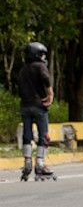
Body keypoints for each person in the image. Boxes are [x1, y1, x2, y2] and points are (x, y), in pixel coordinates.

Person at [19, 42, 55, 181]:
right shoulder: (40, 67)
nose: (44, 56)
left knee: (27, 135)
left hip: (25, 106)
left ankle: (27, 163)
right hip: (39, 106)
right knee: (43, 136)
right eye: (42, 54)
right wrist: (50, 94)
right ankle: (40, 164)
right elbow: (46, 79)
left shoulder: (22, 70)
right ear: (36, 55)